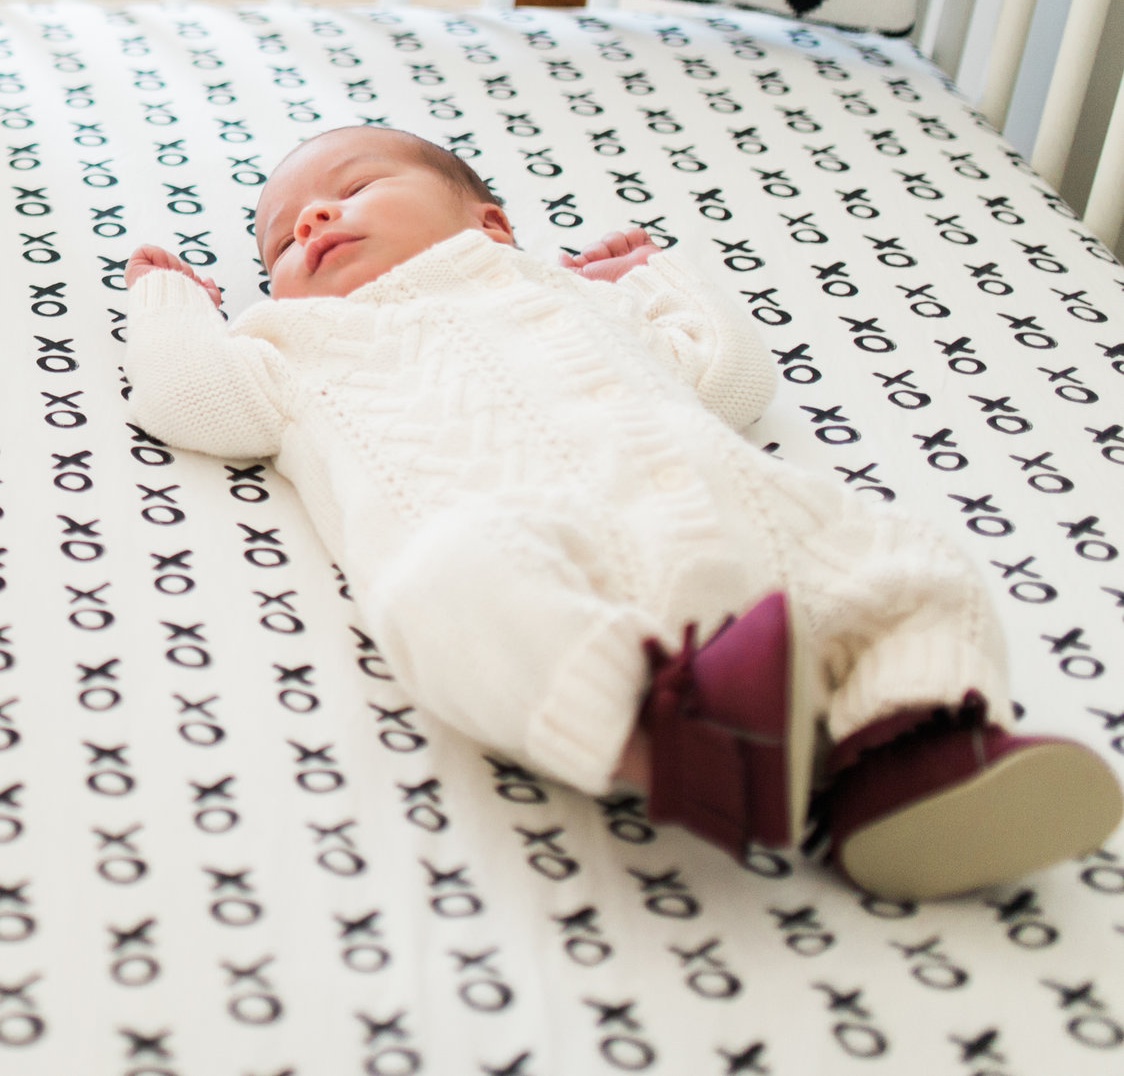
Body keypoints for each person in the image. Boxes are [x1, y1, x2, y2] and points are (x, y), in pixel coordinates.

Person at [123, 124, 1120, 900]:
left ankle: (913, 748)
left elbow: (728, 377)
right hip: (531, 552)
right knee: (448, 584)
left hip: (724, 506)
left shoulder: (565, 290)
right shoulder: (293, 342)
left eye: (353, 186)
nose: (309, 223)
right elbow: (190, 399)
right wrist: (173, 303)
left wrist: (652, 277)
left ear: (490, 222)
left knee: (893, 557)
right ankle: (674, 740)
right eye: (278, 240)